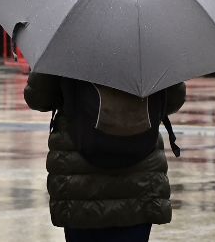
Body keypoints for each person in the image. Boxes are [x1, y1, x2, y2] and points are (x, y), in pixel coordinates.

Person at [24, 72, 186, 242]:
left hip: (79, 179)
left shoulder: (65, 48)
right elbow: (173, 99)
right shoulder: (153, 49)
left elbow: (38, 98)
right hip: (140, 176)